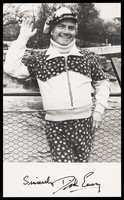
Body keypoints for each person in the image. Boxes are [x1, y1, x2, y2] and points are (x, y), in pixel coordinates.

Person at [4, 7, 111, 162]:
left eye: (71, 28)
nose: (66, 31)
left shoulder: (87, 56)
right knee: (64, 172)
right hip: (56, 126)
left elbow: (102, 82)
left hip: (86, 123)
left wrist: (99, 110)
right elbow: (11, 68)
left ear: (75, 31)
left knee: (83, 170)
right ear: (52, 30)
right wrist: (22, 38)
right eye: (61, 26)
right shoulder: (39, 59)